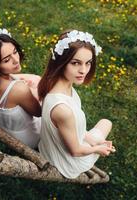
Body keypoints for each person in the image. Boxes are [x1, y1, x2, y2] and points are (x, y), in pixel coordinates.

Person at [37, 30, 115, 178]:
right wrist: (98, 149)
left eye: (88, 63)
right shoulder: (62, 109)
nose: (83, 70)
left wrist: (90, 138)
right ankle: (93, 140)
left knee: (105, 124)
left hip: (56, 144)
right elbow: (76, 151)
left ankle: (91, 137)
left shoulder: (55, 83)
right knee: (106, 123)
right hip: (69, 161)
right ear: (61, 62)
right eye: (75, 63)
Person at [0, 27, 41, 149]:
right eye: (6, 60)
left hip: (13, 133)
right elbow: (39, 112)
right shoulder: (19, 90)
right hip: (34, 138)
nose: (16, 60)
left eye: (15, 52)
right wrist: (34, 90)